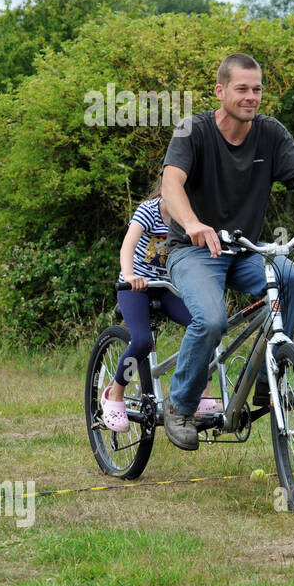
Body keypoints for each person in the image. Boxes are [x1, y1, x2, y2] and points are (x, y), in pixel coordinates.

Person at [159, 53, 294, 450]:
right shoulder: (191, 130)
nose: (251, 97)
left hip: (244, 249)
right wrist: (193, 224)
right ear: (221, 91)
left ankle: (269, 382)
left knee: (289, 277)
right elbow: (171, 185)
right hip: (193, 251)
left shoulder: (270, 134)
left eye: (257, 89)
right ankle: (180, 406)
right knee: (211, 321)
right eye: (242, 89)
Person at [100, 183, 219, 432]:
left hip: (167, 287)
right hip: (136, 287)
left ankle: (202, 394)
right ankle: (115, 394)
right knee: (142, 341)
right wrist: (131, 275)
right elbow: (128, 246)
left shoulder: (189, 217)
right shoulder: (148, 211)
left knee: (209, 325)